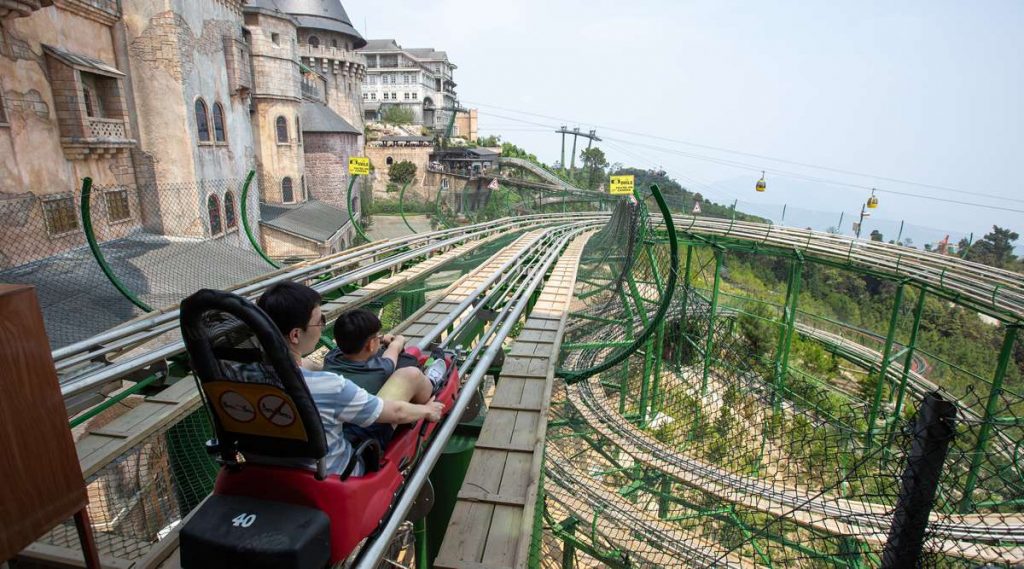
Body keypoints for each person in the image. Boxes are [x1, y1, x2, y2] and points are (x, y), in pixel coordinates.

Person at [257, 282, 443, 476]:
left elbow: (297, 366)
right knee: (409, 375)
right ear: (295, 335)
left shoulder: (237, 376)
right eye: (320, 320)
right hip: (335, 473)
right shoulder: (330, 386)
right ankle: (432, 383)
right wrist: (427, 410)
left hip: (265, 472)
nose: (322, 326)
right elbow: (396, 413)